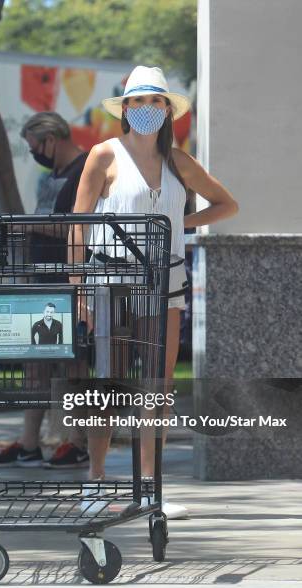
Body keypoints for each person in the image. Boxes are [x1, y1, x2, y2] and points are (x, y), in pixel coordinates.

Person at [71, 66, 239, 517]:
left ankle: (150, 485)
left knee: (156, 387)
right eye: (138, 102)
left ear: (168, 109)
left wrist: (179, 225)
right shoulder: (103, 155)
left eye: (156, 101)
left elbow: (227, 204)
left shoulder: (179, 162)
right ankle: (96, 482)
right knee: (107, 382)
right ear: (125, 109)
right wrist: (79, 289)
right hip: (111, 280)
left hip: (166, 282)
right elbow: (78, 224)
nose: (147, 109)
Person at [0, 112, 89, 470]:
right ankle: (29, 442)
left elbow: (82, 229)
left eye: (34, 147)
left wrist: (35, 225)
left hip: (70, 278)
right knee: (35, 363)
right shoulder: (52, 176)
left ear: (52, 138)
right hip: (41, 278)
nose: (34, 155)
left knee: (74, 365)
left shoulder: (85, 169)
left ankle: (76, 442)